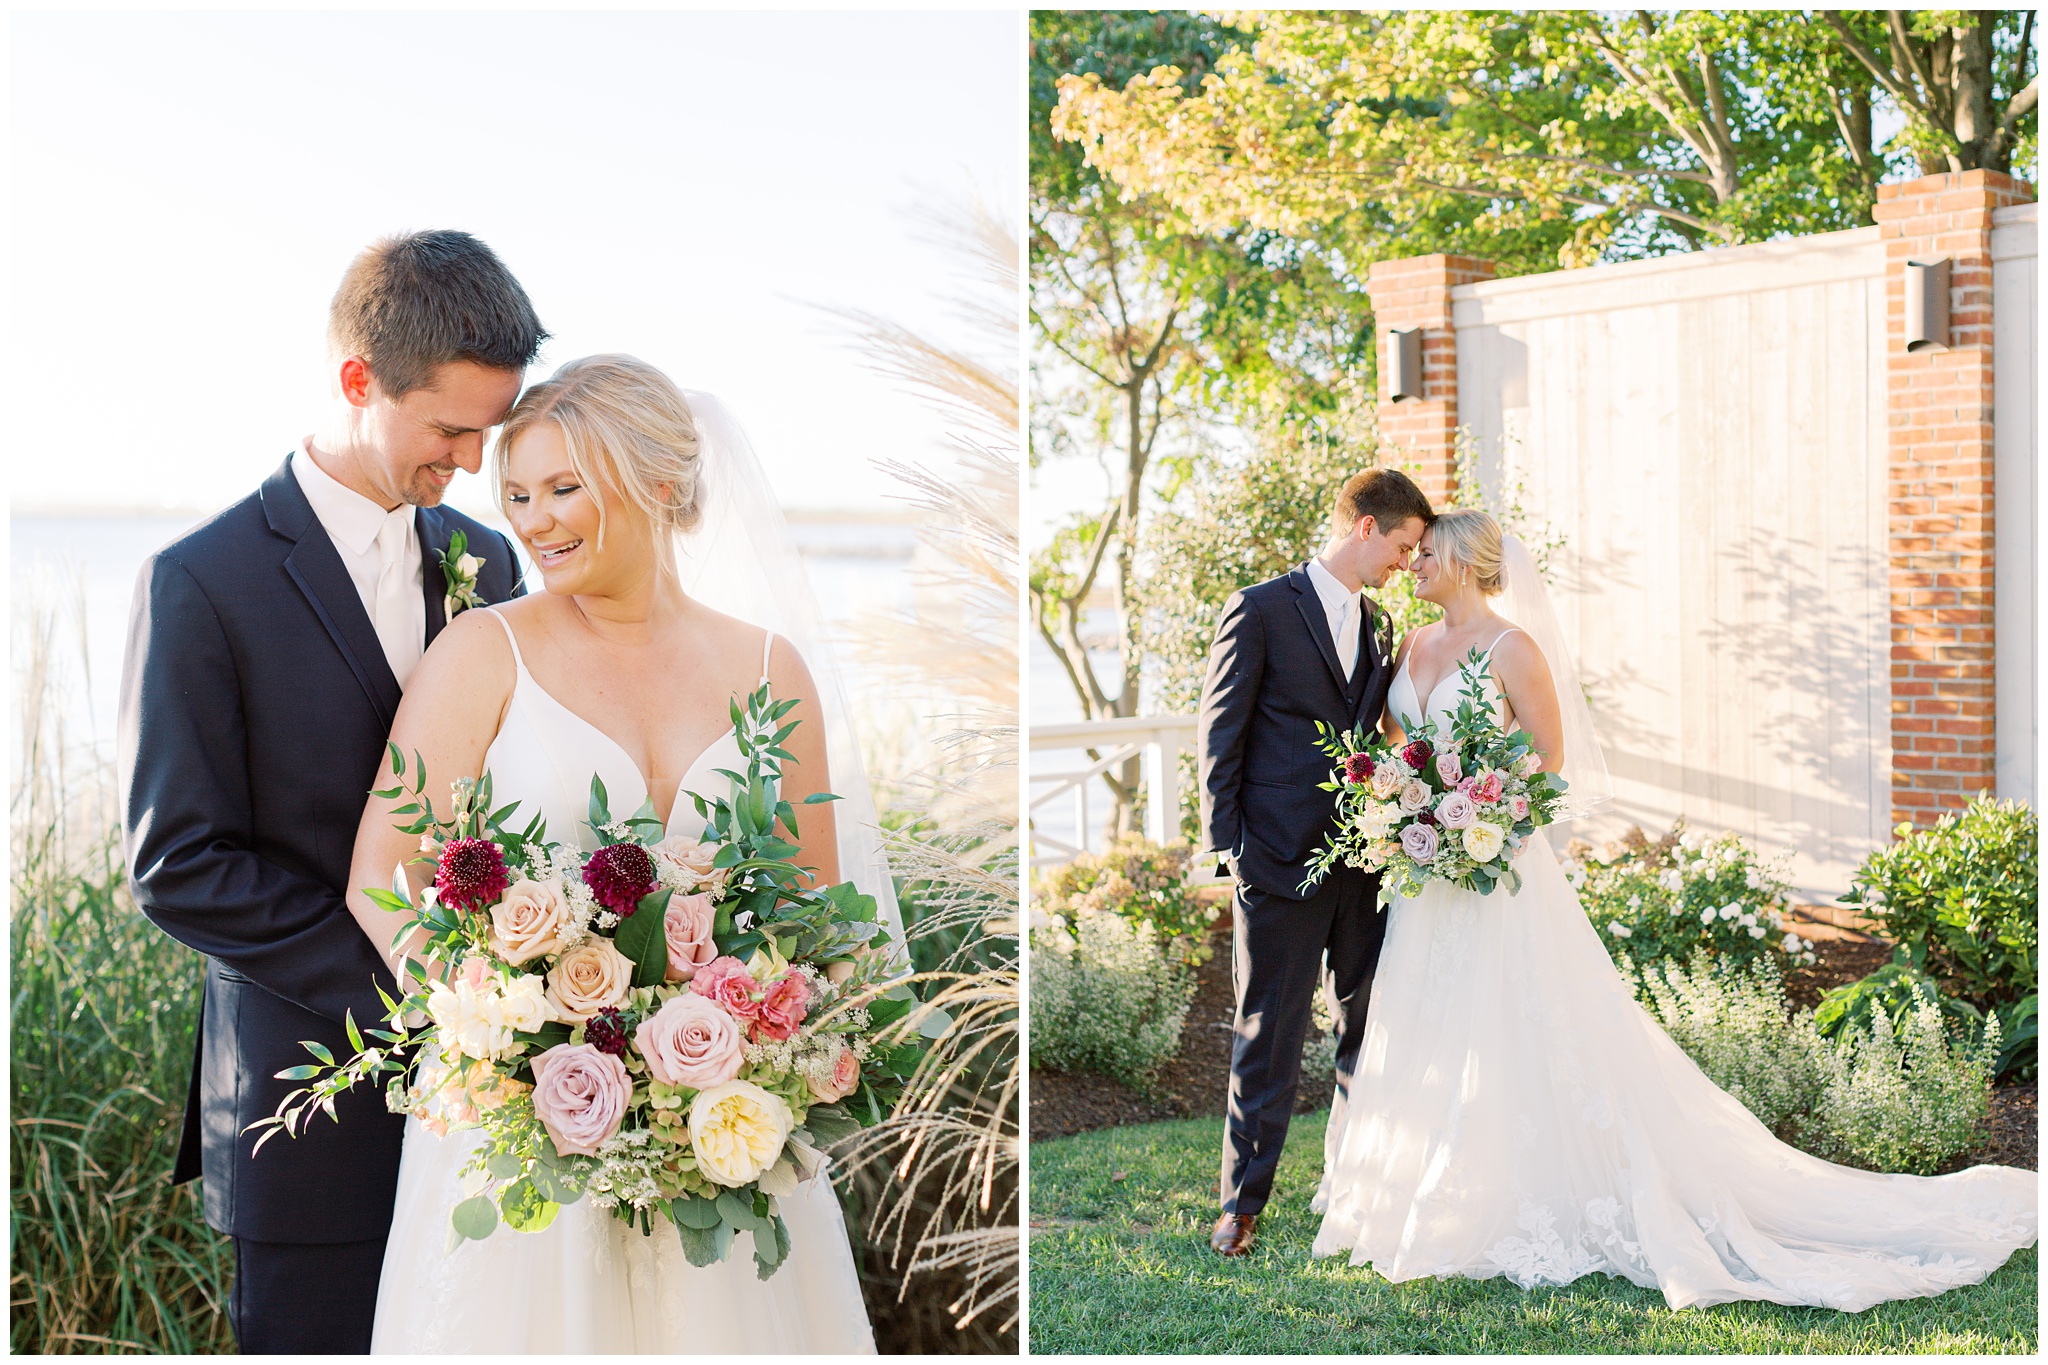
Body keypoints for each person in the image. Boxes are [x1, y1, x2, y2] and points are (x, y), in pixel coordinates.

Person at [1312, 508, 2038, 1310]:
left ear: (1466, 562)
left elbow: (1550, 757)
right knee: (1426, 1024)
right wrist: (1404, 805)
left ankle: (1510, 1198)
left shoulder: (1512, 648)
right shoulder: (1411, 647)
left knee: (1507, 1024)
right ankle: (1414, 1187)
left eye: (1429, 554)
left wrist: (1487, 821)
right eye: (1412, 555)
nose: (1414, 563)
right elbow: (1394, 751)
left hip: (1493, 872)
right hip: (1427, 881)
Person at [352, 355, 878, 1352]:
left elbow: (815, 909)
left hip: (723, 1137)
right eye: (516, 495)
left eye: (563, 489)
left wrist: (766, 1052)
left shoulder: (771, 668)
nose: (534, 522)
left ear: (661, 485)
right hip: (523, 1133)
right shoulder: (484, 651)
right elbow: (383, 867)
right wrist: (492, 1034)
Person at [119, 231, 542, 1352]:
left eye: (484, 433)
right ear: (358, 381)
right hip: (306, 1109)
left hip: (499, 1111)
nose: (465, 460)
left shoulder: (488, 564)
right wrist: (429, 1003)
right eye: (446, 429)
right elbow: (178, 865)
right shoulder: (203, 582)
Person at [1195, 469, 1433, 1259]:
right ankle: (1240, 1204)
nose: (1404, 563)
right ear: (1365, 527)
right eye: (1400, 547)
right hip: (1277, 862)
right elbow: (1220, 734)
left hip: (1364, 863)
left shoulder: (1382, 624)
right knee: (1269, 1032)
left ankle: (1359, 1184)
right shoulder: (1260, 609)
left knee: (1366, 1028)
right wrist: (1231, 852)